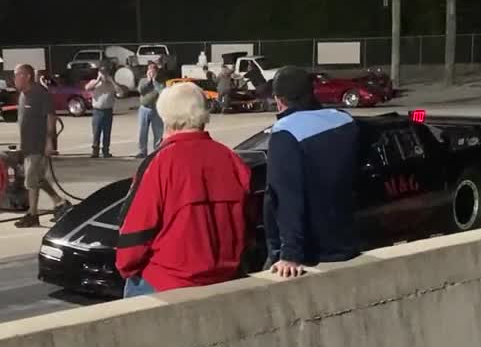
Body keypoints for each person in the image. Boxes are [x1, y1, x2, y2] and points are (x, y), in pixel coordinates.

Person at [115, 82, 251, 298]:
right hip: (223, 278)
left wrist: (126, 268)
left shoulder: (161, 162)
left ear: (166, 116)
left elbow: (137, 229)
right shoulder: (231, 159)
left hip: (168, 281)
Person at [264, 66, 360, 279]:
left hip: (313, 250)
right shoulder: (344, 120)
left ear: (279, 100)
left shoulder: (285, 132)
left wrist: (289, 254)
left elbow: (286, 196)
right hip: (347, 242)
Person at [12, 64, 71, 229]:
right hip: (27, 145)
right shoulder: (23, 96)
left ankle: (33, 214)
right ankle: (60, 202)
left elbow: (50, 117)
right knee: (37, 178)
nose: (14, 79)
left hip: (39, 145)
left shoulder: (40, 94)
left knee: (31, 181)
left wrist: (49, 142)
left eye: (17, 75)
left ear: (27, 76)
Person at [84, 64, 116, 158]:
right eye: (102, 73)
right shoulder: (95, 82)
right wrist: (98, 80)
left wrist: (112, 81)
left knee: (107, 132)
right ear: (99, 73)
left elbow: (121, 91)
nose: (104, 76)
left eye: (105, 74)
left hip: (108, 111)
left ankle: (106, 151)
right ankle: (95, 151)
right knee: (96, 131)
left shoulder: (111, 84)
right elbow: (87, 88)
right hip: (97, 111)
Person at [135, 61, 164, 158]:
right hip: (144, 109)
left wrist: (154, 81)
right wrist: (148, 81)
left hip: (156, 109)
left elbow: (162, 92)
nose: (151, 71)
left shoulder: (160, 82)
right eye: (149, 69)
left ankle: (157, 151)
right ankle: (142, 151)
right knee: (142, 131)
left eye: (153, 69)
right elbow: (140, 90)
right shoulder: (143, 81)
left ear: (156, 71)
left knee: (158, 132)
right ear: (147, 71)